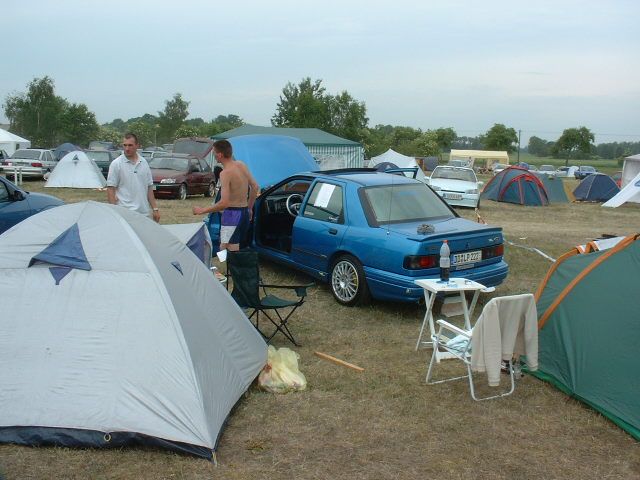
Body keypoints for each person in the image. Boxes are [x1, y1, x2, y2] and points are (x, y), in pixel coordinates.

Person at [192, 139, 258, 251]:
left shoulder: (225, 173)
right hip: (244, 212)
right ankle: (225, 266)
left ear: (220, 155)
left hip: (231, 214)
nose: (214, 156)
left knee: (231, 248)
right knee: (228, 245)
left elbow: (224, 203)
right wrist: (250, 208)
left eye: (214, 153)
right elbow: (255, 187)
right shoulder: (241, 165)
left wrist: (202, 210)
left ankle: (231, 268)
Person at [106, 133, 160, 223]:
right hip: (125, 213)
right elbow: (111, 189)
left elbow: (149, 187)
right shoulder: (116, 164)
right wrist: (114, 212)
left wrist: (155, 209)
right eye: (125, 145)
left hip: (144, 213)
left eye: (130, 145)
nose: (127, 148)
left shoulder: (144, 163)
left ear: (137, 146)